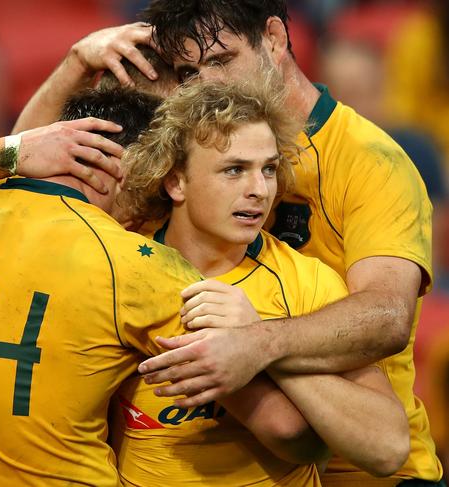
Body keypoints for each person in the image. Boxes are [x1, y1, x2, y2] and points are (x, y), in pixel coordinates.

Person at [0, 8, 437, 484]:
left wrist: (260, 342)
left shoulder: (340, 212)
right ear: (169, 175)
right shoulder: (136, 265)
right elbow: (289, 429)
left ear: (275, 40)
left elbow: (383, 351)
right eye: (233, 170)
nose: (258, 191)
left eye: (269, 170)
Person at [124, 2, 441, 486]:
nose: (207, 85)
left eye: (221, 60)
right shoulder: (184, 161)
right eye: (189, 72)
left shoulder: (370, 160)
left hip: (370, 472)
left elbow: (387, 317)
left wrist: (255, 342)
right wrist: (72, 70)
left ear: (273, 37)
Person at [0, 86, 209, 485]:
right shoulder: (129, 263)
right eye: (154, 186)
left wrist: (9, 150)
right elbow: (283, 426)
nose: (155, 214)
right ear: (119, 166)